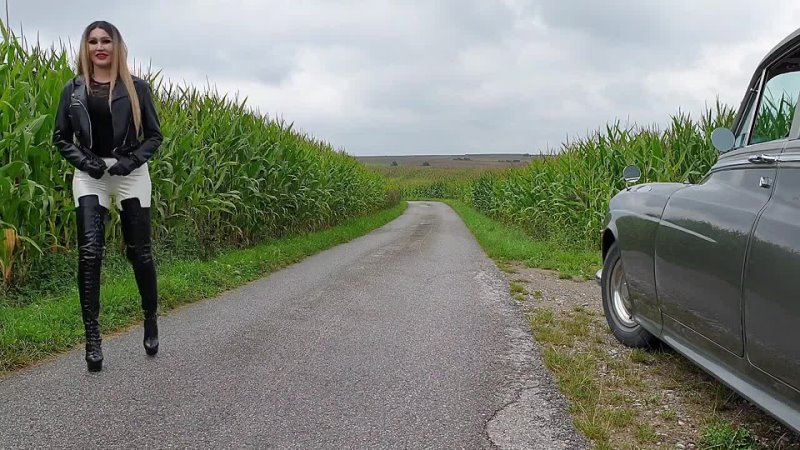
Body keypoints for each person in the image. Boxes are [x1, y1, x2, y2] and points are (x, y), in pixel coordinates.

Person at [53, 21, 163, 372]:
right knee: (89, 253)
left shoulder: (137, 89)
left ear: (117, 46)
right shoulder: (72, 90)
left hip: (131, 176)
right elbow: (61, 138)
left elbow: (154, 137)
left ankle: (150, 318)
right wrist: (87, 162)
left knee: (139, 252)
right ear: (85, 48)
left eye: (106, 40)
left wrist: (129, 161)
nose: (100, 46)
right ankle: (93, 338)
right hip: (90, 175)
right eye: (93, 41)